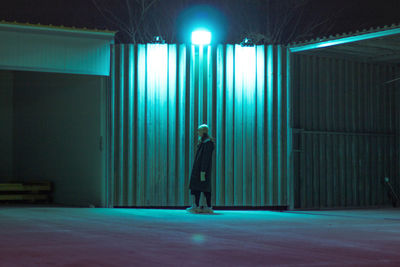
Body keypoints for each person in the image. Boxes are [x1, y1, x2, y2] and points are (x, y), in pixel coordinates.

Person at [187, 124, 215, 214]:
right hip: (198, 169)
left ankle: (208, 206)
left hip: (202, 170)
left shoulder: (208, 143)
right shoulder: (202, 142)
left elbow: (205, 158)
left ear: (203, 131)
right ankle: (196, 205)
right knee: (196, 188)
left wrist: (203, 171)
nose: (197, 132)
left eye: (199, 130)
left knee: (205, 187)